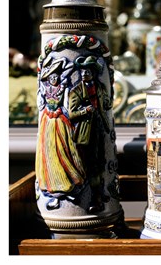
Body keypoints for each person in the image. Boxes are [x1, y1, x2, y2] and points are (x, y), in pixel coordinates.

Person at [35, 57, 85, 210]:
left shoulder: (63, 87)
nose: (54, 78)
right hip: (48, 121)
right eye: (51, 77)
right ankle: (53, 189)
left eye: (56, 76)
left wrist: (70, 64)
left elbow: (68, 71)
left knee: (64, 150)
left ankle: (69, 185)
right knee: (49, 152)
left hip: (59, 121)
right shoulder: (44, 88)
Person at [68, 55, 112, 213]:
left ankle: (100, 193)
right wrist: (85, 110)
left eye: (88, 70)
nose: (84, 73)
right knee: (89, 166)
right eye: (82, 71)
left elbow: (106, 104)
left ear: (93, 72)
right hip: (85, 132)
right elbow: (71, 113)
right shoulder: (76, 91)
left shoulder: (99, 87)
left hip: (99, 128)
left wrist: (106, 102)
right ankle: (92, 197)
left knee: (100, 162)